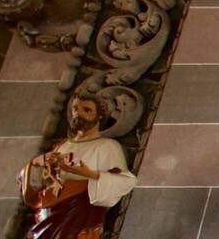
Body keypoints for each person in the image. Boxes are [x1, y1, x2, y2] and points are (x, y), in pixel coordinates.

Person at [19, 95, 137, 239]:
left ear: (100, 116)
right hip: (48, 211)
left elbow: (125, 181)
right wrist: (37, 164)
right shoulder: (62, 146)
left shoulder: (108, 146)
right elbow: (39, 179)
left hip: (79, 214)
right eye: (75, 109)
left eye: (86, 110)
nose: (78, 114)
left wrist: (89, 174)